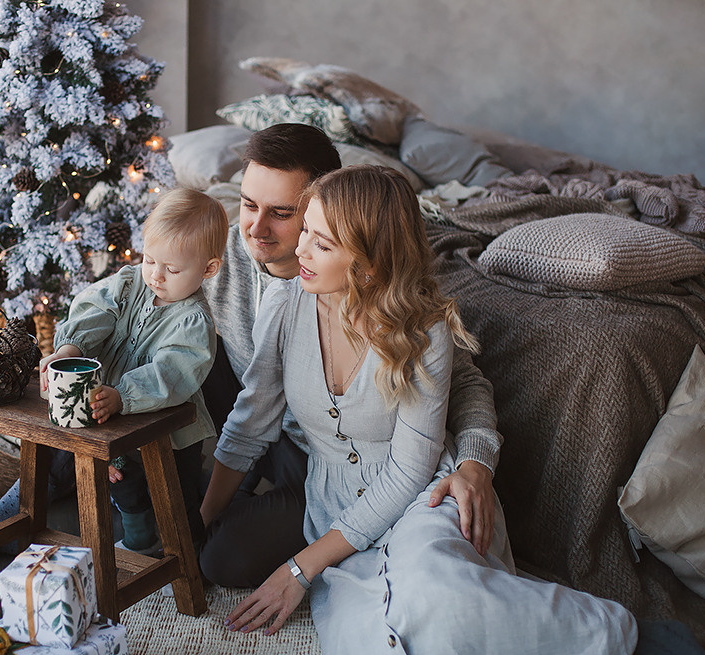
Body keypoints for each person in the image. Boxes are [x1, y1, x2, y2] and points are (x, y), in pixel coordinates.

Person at [203, 164, 637, 655]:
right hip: (332, 508)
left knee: (439, 596)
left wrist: (298, 570)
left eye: (320, 243)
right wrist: (206, 516)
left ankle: (609, 633)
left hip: (423, 498)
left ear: (367, 264)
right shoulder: (283, 304)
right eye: (304, 232)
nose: (297, 250)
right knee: (374, 644)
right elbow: (251, 420)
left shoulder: (421, 330)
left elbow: (411, 469)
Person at [198, 123, 502, 587]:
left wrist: (475, 460)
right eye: (247, 204)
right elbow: (136, 295)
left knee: (429, 584)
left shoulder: (409, 312)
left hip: (350, 460)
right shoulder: (224, 255)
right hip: (287, 439)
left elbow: (462, 387)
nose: (257, 229)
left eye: (282, 213)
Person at [0, 188, 228, 554]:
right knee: (83, 466)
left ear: (209, 269)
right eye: (150, 259)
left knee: (174, 501)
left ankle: (190, 565)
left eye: (171, 269)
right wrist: (71, 348)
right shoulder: (130, 282)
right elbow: (96, 310)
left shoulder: (193, 321)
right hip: (105, 409)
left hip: (167, 431)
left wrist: (124, 396)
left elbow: (171, 373)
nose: (155, 275)